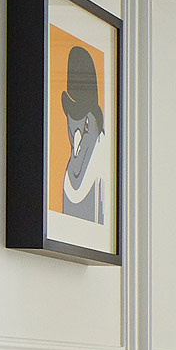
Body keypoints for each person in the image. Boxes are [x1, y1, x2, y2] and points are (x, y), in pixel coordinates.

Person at [58, 43, 105, 225]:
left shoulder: (104, 167)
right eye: (71, 118)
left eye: (83, 123)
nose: (74, 134)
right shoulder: (69, 170)